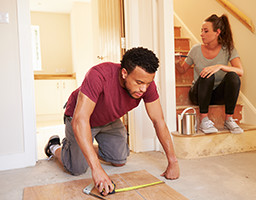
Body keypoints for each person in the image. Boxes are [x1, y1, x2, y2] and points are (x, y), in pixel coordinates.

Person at [44, 47, 180, 196]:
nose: (143, 89)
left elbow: (158, 121)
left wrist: (173, 162)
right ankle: (55, 147)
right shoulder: (99, 75)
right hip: (80, 119)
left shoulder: (147, 85)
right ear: (124, 73)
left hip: (109, 120)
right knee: (76, 169)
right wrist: (97, 169)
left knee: (119, 160)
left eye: (148, 83)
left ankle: (84, 149)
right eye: (139, 82)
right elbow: (80, 119)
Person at [176, 14, 244, 134]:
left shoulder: (228, 49)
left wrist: (220, 66)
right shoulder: (195, 50)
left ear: (217, 32)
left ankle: (229, 119)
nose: (202, 34)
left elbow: (240, 71)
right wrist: (177, 63)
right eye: (201, 31)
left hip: (217, 95)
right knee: (208, 74)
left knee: (233, 76)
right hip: (198, 94)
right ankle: (203, 120)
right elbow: (182, 70)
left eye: (206, 31)